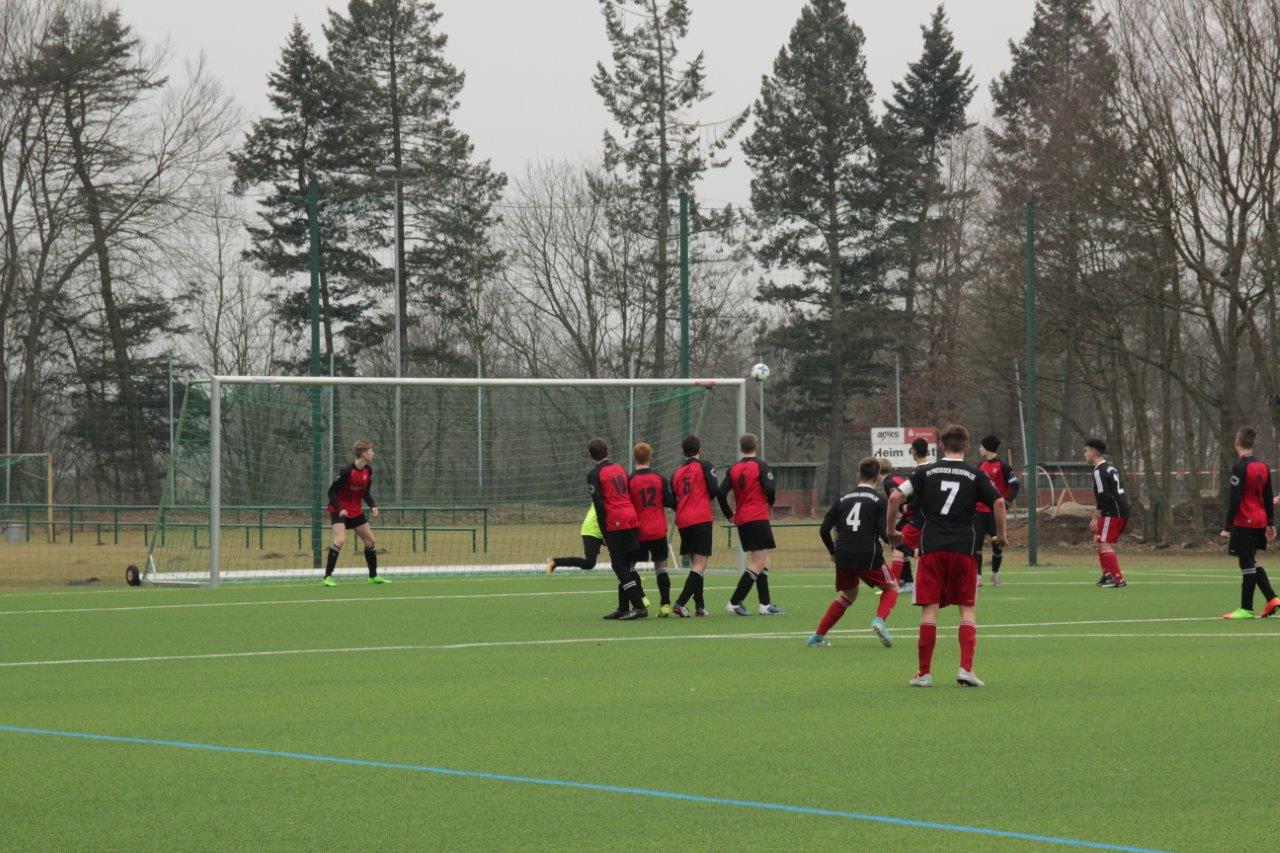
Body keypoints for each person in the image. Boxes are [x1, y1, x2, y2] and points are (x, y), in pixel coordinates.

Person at [887, 424, 1006, 687]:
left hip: (932, 547)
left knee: (930, 609)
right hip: (964, 547)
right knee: (967, 608)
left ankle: (924, 674)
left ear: (941, 446)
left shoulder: (925, 471)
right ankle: (965, 669)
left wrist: (891, 530)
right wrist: (1001, 535)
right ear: (966, 446)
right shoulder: (976, 475)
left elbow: (895, 496)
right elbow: (998, 501)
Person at [808, 457, 898, 648]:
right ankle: (879, 620)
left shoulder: (842, 498)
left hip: (843, 554)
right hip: (868, 554)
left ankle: (817, 637)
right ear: (877, 476)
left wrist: (833, 552)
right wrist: (897, 540)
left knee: (848, 595)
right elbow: (883, 533)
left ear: (859, 474)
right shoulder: (880, 501)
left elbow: (824, 529)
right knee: (891, 587)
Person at [719, 433, 784, 616]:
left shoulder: (733, 469)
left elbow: (721, 493)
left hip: (743, 519)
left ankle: (765, 604)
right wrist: (769, 501)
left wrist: (728, 513)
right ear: (756, 446)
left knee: (764, 560)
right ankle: (734, 602)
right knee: (758, 561)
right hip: (757, 516)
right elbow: (770, 488)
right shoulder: (760, 466)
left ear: (741, 448)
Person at [1220, 426, 1280, 619]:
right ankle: (1262, 602)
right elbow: (1268, 495)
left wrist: (1227, 527)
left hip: (1244, 522)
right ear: (1254, 443)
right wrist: (1270, 523)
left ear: (1237, 442)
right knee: (1250, 562)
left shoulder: (1240, 468)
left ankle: (1253, 606)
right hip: (1260, 521)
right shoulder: (1263, 467)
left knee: (1246, 563)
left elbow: (1235, 500)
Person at [586, 437, 650, 620]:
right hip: (631, 517)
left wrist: (603, 532)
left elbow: (598, 504)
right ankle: (623, 607)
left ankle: (638, 606)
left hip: (616, 521)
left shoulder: (594, 474)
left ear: (591, 456)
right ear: (608, 452)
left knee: (618, 565)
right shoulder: (620, 469)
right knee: (627, 564)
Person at [322, 439, 386, 586]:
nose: (373, 453)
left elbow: (365, 492)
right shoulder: (346, 471)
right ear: (363, 453)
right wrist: (340, 508)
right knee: (340, 540)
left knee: (370, 541)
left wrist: (372, 505)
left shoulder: (368, 471)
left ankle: (373, 576)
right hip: (339, 509)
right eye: (370, 451)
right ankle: (327, 577)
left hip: (356, 511)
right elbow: (331, 492)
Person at [670, 434, 718, 617]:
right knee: (700, 565)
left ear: (683, 451)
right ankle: (680, 603)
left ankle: (700, 606)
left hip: (683, 520)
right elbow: (714, 490)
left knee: (695, 564)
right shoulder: (705, 465)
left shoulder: (676, 473)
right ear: (700, 449)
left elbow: (671, 498)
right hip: (700, 518)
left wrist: (683, 507)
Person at [629, 442, 677, 616]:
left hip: (638, 532)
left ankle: (642, 597)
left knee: (630, 567)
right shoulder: (659, 479)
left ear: (635, 457)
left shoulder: (630, 480)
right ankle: (665, 605)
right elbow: (670, 502)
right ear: (650, 457)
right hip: (657, 530)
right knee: (661, 567)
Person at [882, 439, 929, 594]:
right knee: (905, 545)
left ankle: (896, 584)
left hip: (918, 517)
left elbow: (901, 497)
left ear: (913, 451)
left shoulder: (918, 472)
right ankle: (906, 581)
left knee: (899, 544)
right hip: (929, 517)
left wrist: (909, 506)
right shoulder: (931, 469)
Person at [975, 434, 1020, 587]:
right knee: (976, 544)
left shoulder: (1004, 466)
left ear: (987, 448)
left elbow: (1015, 486)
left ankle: (995, 575)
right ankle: (978, 577)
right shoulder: (980, 465)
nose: (979, 448)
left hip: (995, 513)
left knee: (998, 544)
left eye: (981, 446)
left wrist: (1007, 501)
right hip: (979, 512)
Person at [1085, 438, 1129, 589]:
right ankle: (1108, 575)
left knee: (1103, 543)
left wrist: (1095, 517)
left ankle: (1118, 579)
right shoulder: (1110, 468)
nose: (1085, 454)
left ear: (1093, 452)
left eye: (1086, 451)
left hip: (1113, 511)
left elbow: (1103, 496)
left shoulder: (1099, 471)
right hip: (1120, 509)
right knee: (1098, 540)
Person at [546, 506, 603, 574]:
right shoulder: (605, 497)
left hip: (599, 529)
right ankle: (554, 562)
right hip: (592, 531)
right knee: (589, 563)